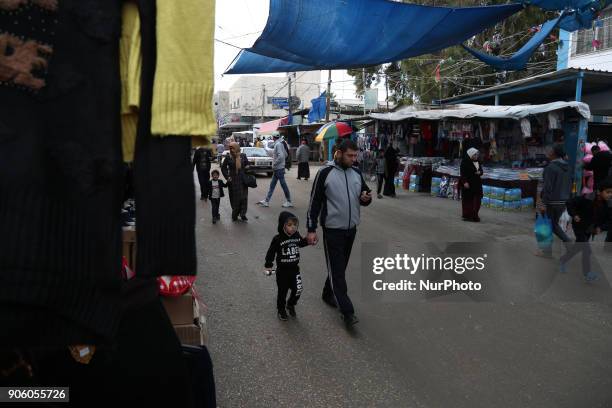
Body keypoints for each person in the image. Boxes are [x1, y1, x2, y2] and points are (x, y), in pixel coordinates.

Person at [307, 139, 372, 327]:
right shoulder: (325, 173)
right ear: (339, 153)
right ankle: (347, 311)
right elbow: (314, 203)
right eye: (350, 156)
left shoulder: (357, 173)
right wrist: (311, 229)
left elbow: (364, 196)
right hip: (332, 230)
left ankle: (328, 293)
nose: (353, 159)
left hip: (351, 229)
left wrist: (366, 198)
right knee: (337, 270)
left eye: (355, 156)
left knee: (340, 267)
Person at [560, 178, 612, 282]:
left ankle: (563, 260)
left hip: (589, 230)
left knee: (578, 247)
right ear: (599, 191)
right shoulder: (586, 199)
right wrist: (574, 215)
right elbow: (570, 202)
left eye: (611, 192)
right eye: (608, 192)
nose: (610, 195)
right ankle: (587, 273)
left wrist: (601, 228)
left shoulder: (607, 204)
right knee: (586, 250)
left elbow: (609, 220)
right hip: (579, 226)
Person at [264, 212, 311, 321]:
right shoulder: (277, 239)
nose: (293, 227)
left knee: (298, 289)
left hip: (295, 270)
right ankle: (281, 309)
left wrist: (308, 240)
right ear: (283, 225)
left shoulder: (296, 235)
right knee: (282, 292)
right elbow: (271, 252)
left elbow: (301, 243)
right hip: (282, 272)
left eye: (294, 224)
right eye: (289, 225)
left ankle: (291, 304)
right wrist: (268, 265)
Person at [539, 144, 572, 257]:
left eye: (550, 151)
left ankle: (548, 251)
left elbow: (548, 187)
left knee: (547, 226)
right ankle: (566, 243)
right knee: (553, 225)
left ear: (554, 154)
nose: (548, 152)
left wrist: (543, 203)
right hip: (562, 202)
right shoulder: (567, 167)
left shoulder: (550, 168)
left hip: (551, 202)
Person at [258, 133, 293, 208]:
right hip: (278, 168)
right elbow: (285, 154)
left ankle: (289, 201)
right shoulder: (280, 143)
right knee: (272, 185)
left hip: (279, 168)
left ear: (273, 138)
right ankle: (267, 201)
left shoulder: (278, 144)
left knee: (283, 185)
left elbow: (281, 156)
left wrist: (274, 164)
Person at [221, 142, 249, 222]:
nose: (231, 150)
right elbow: (223, 168)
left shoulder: (243, 155)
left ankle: (243, 214)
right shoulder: (228, 157)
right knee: (234, 198)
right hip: (232, 180)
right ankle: (235, 214)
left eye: (233, 148)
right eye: (230, 148)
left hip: (242, 180)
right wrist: (227, 177)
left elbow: (247, 164)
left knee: (244, 198)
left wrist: (247, 167)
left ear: (237, 148)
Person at [460, 148, 484, 222]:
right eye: (475, 154)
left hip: (477, 183)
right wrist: (465, 182)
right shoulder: (465, 162)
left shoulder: (478, 162)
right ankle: (467, 215)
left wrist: (480, 172)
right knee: (468, 200)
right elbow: (462, 173)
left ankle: (474, 215)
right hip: (468, 184)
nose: (476, 156)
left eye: (477, 154)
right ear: (471, 155)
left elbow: (481, 171)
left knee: (477, 200)